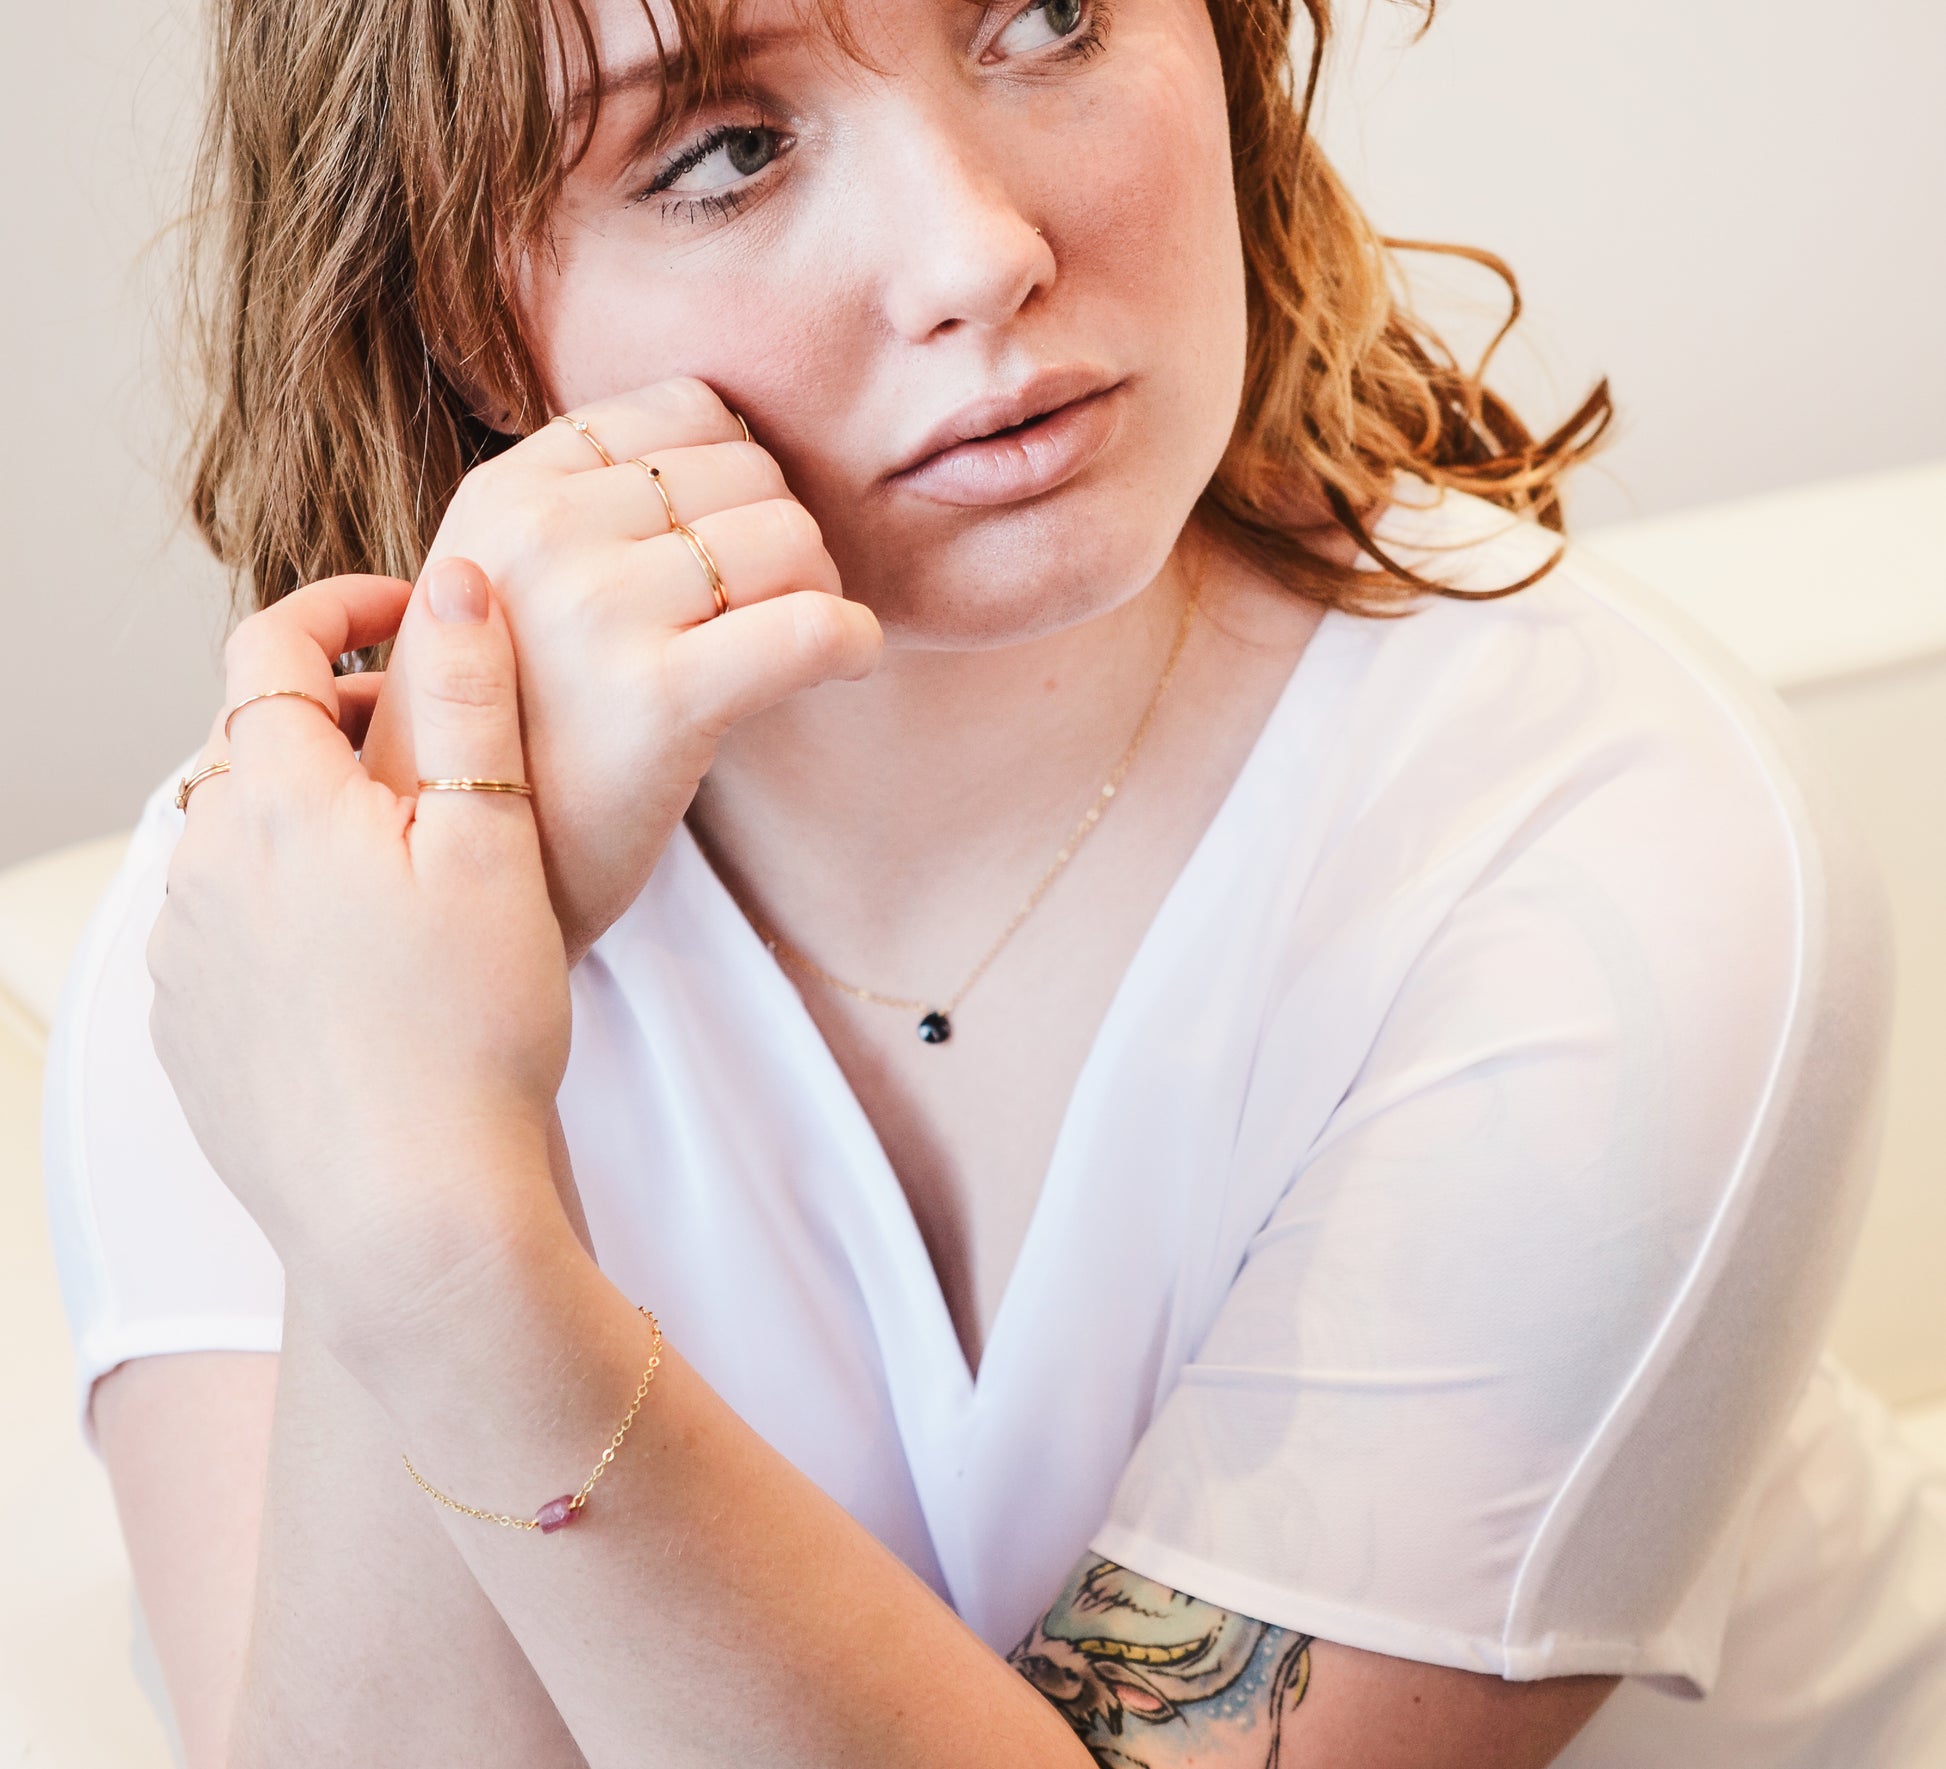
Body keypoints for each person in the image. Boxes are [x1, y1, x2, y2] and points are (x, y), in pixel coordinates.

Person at [39, 0, 1946, 1762]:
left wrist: (436, 1239)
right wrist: (438, 998)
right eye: (720, 147)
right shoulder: (255, 932)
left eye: (1043, 10)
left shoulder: (1599, 846)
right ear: (468, 315)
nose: (975, 255)